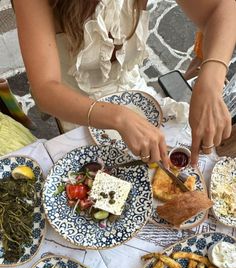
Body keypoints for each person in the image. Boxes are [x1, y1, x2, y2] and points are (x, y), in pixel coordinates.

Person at [12, 0, 236, 167]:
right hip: (75, 109)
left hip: (135, 93)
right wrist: (119, 117)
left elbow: (224, 8)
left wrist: (210, 81)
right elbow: (46, 89)